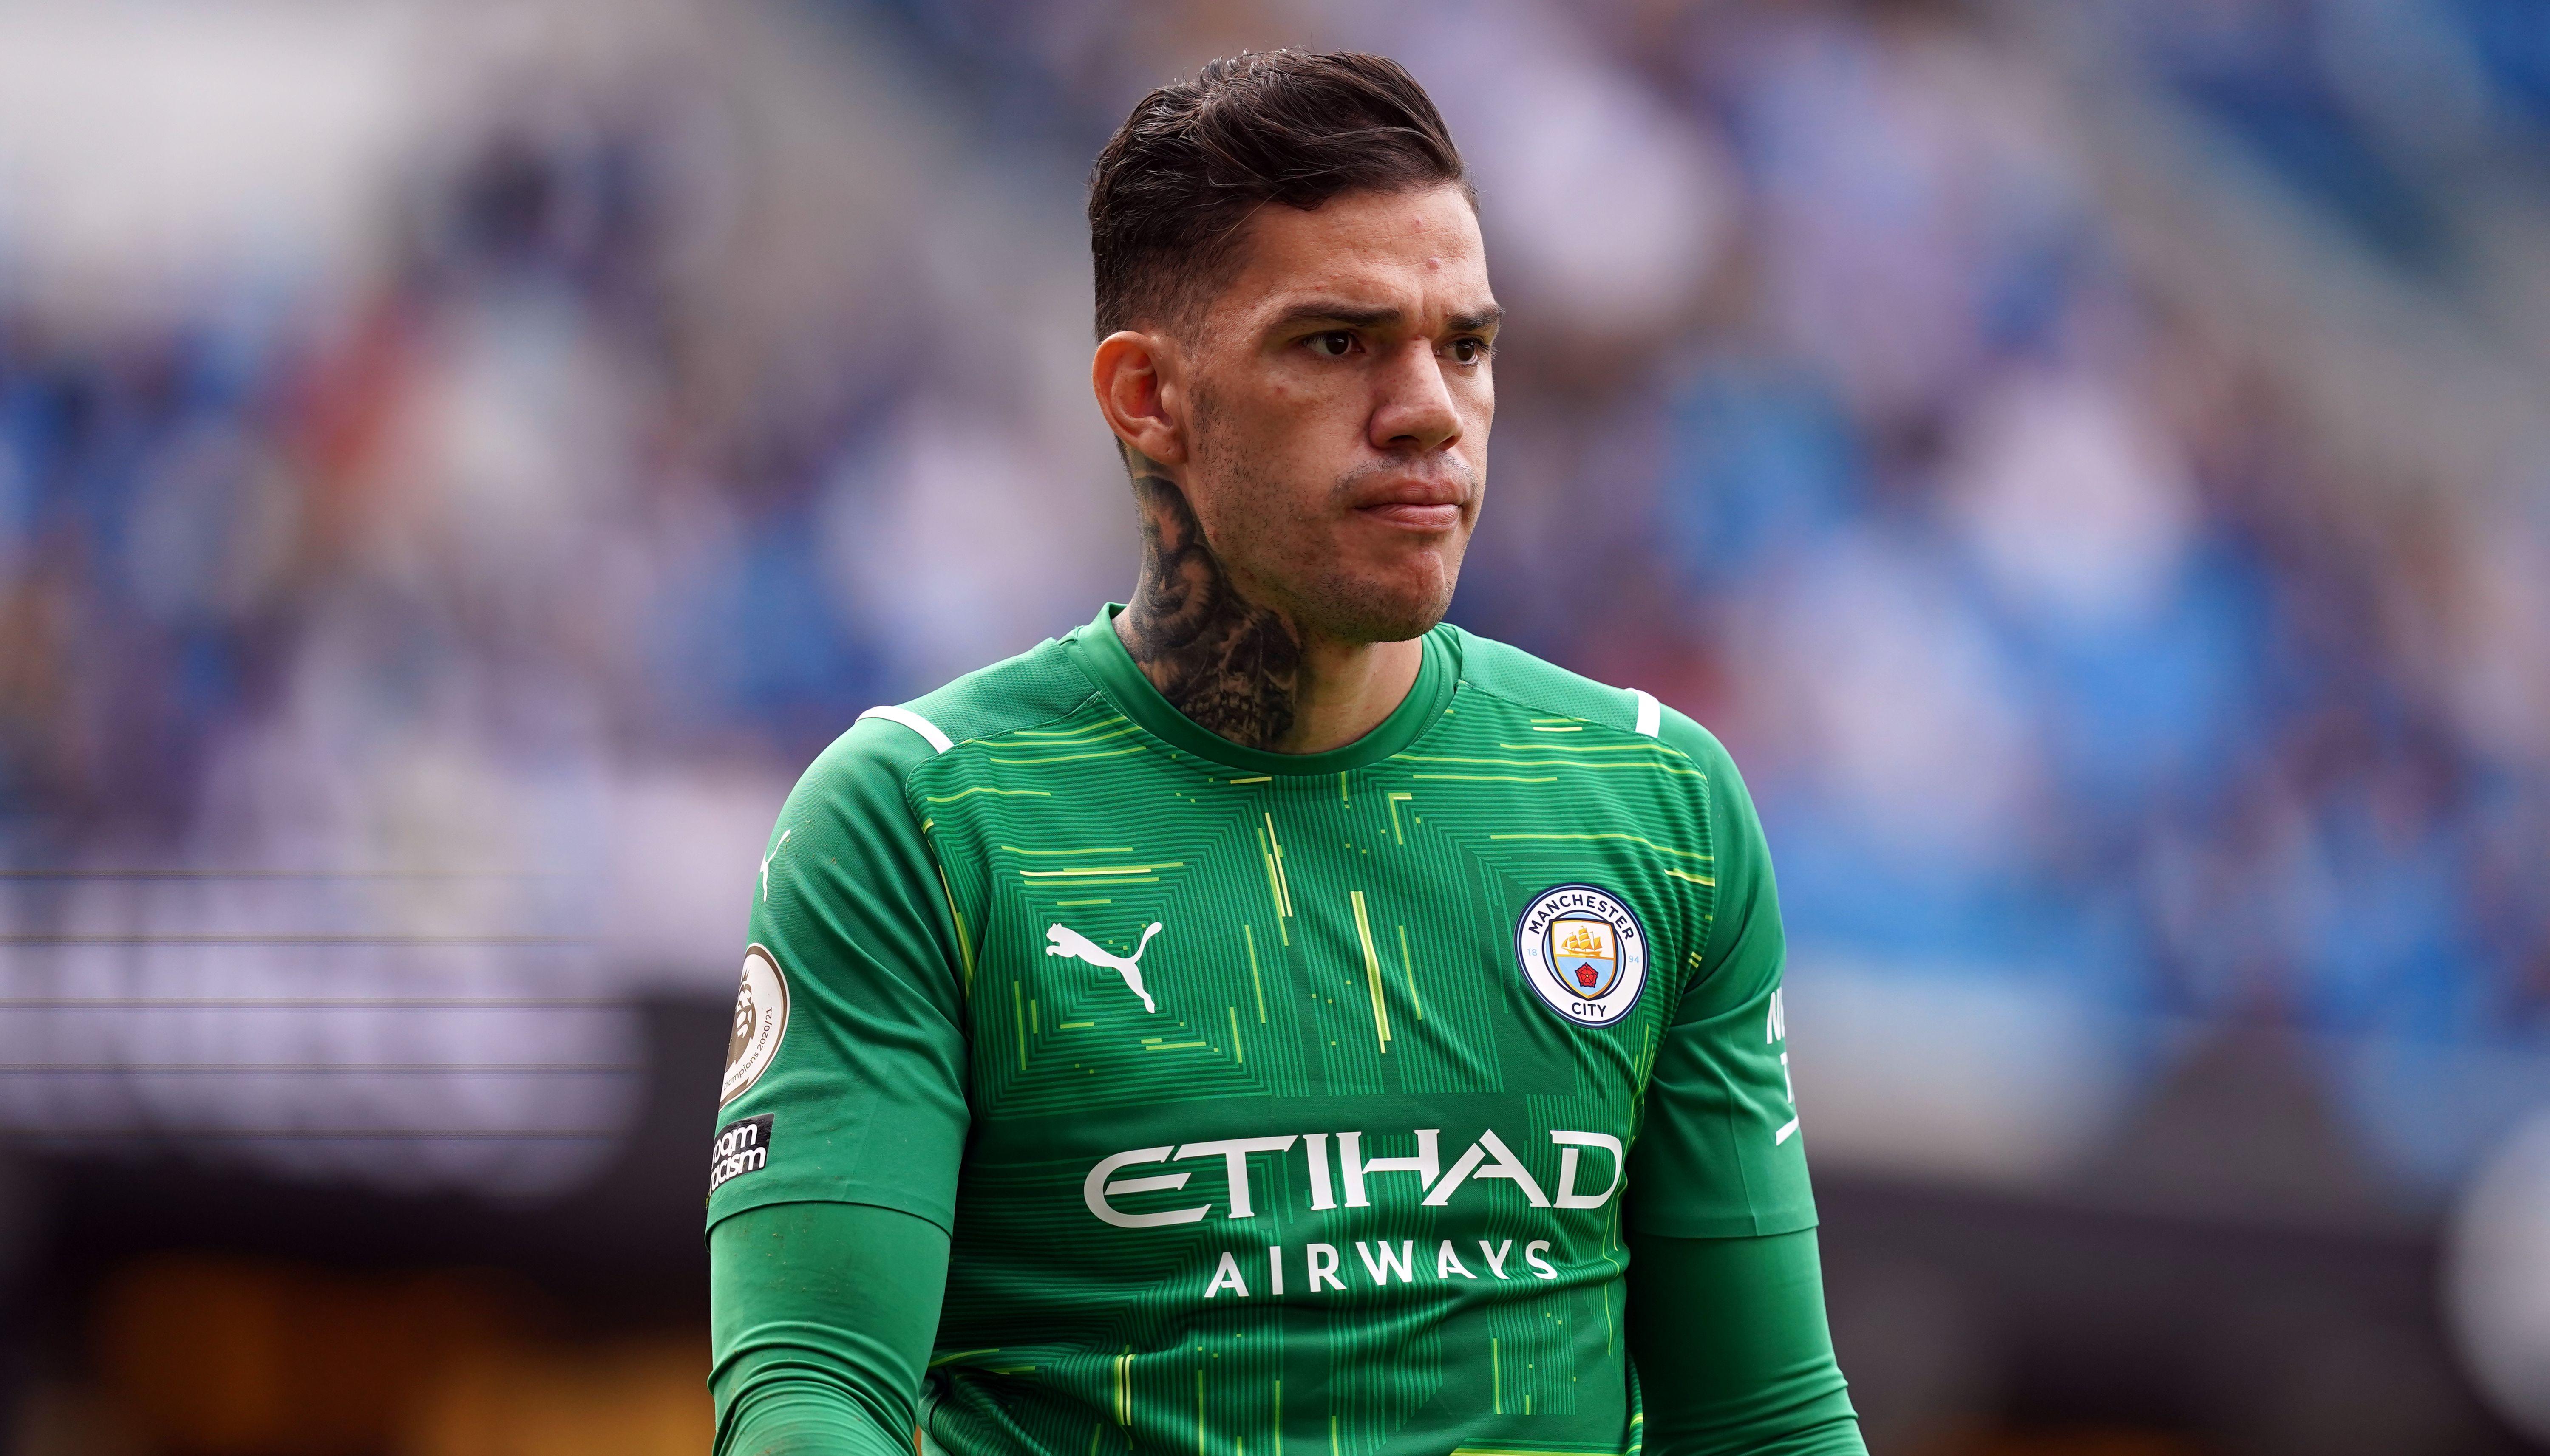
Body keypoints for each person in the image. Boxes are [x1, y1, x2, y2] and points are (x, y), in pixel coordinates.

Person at [706, 49, 1864, 1456]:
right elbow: (811, 1393)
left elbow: (1767, 1418)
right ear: (1148, 396)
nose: (1429, 408)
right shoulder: (926, 819)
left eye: (1466, 346)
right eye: (1337, 343)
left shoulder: (1656, 803)